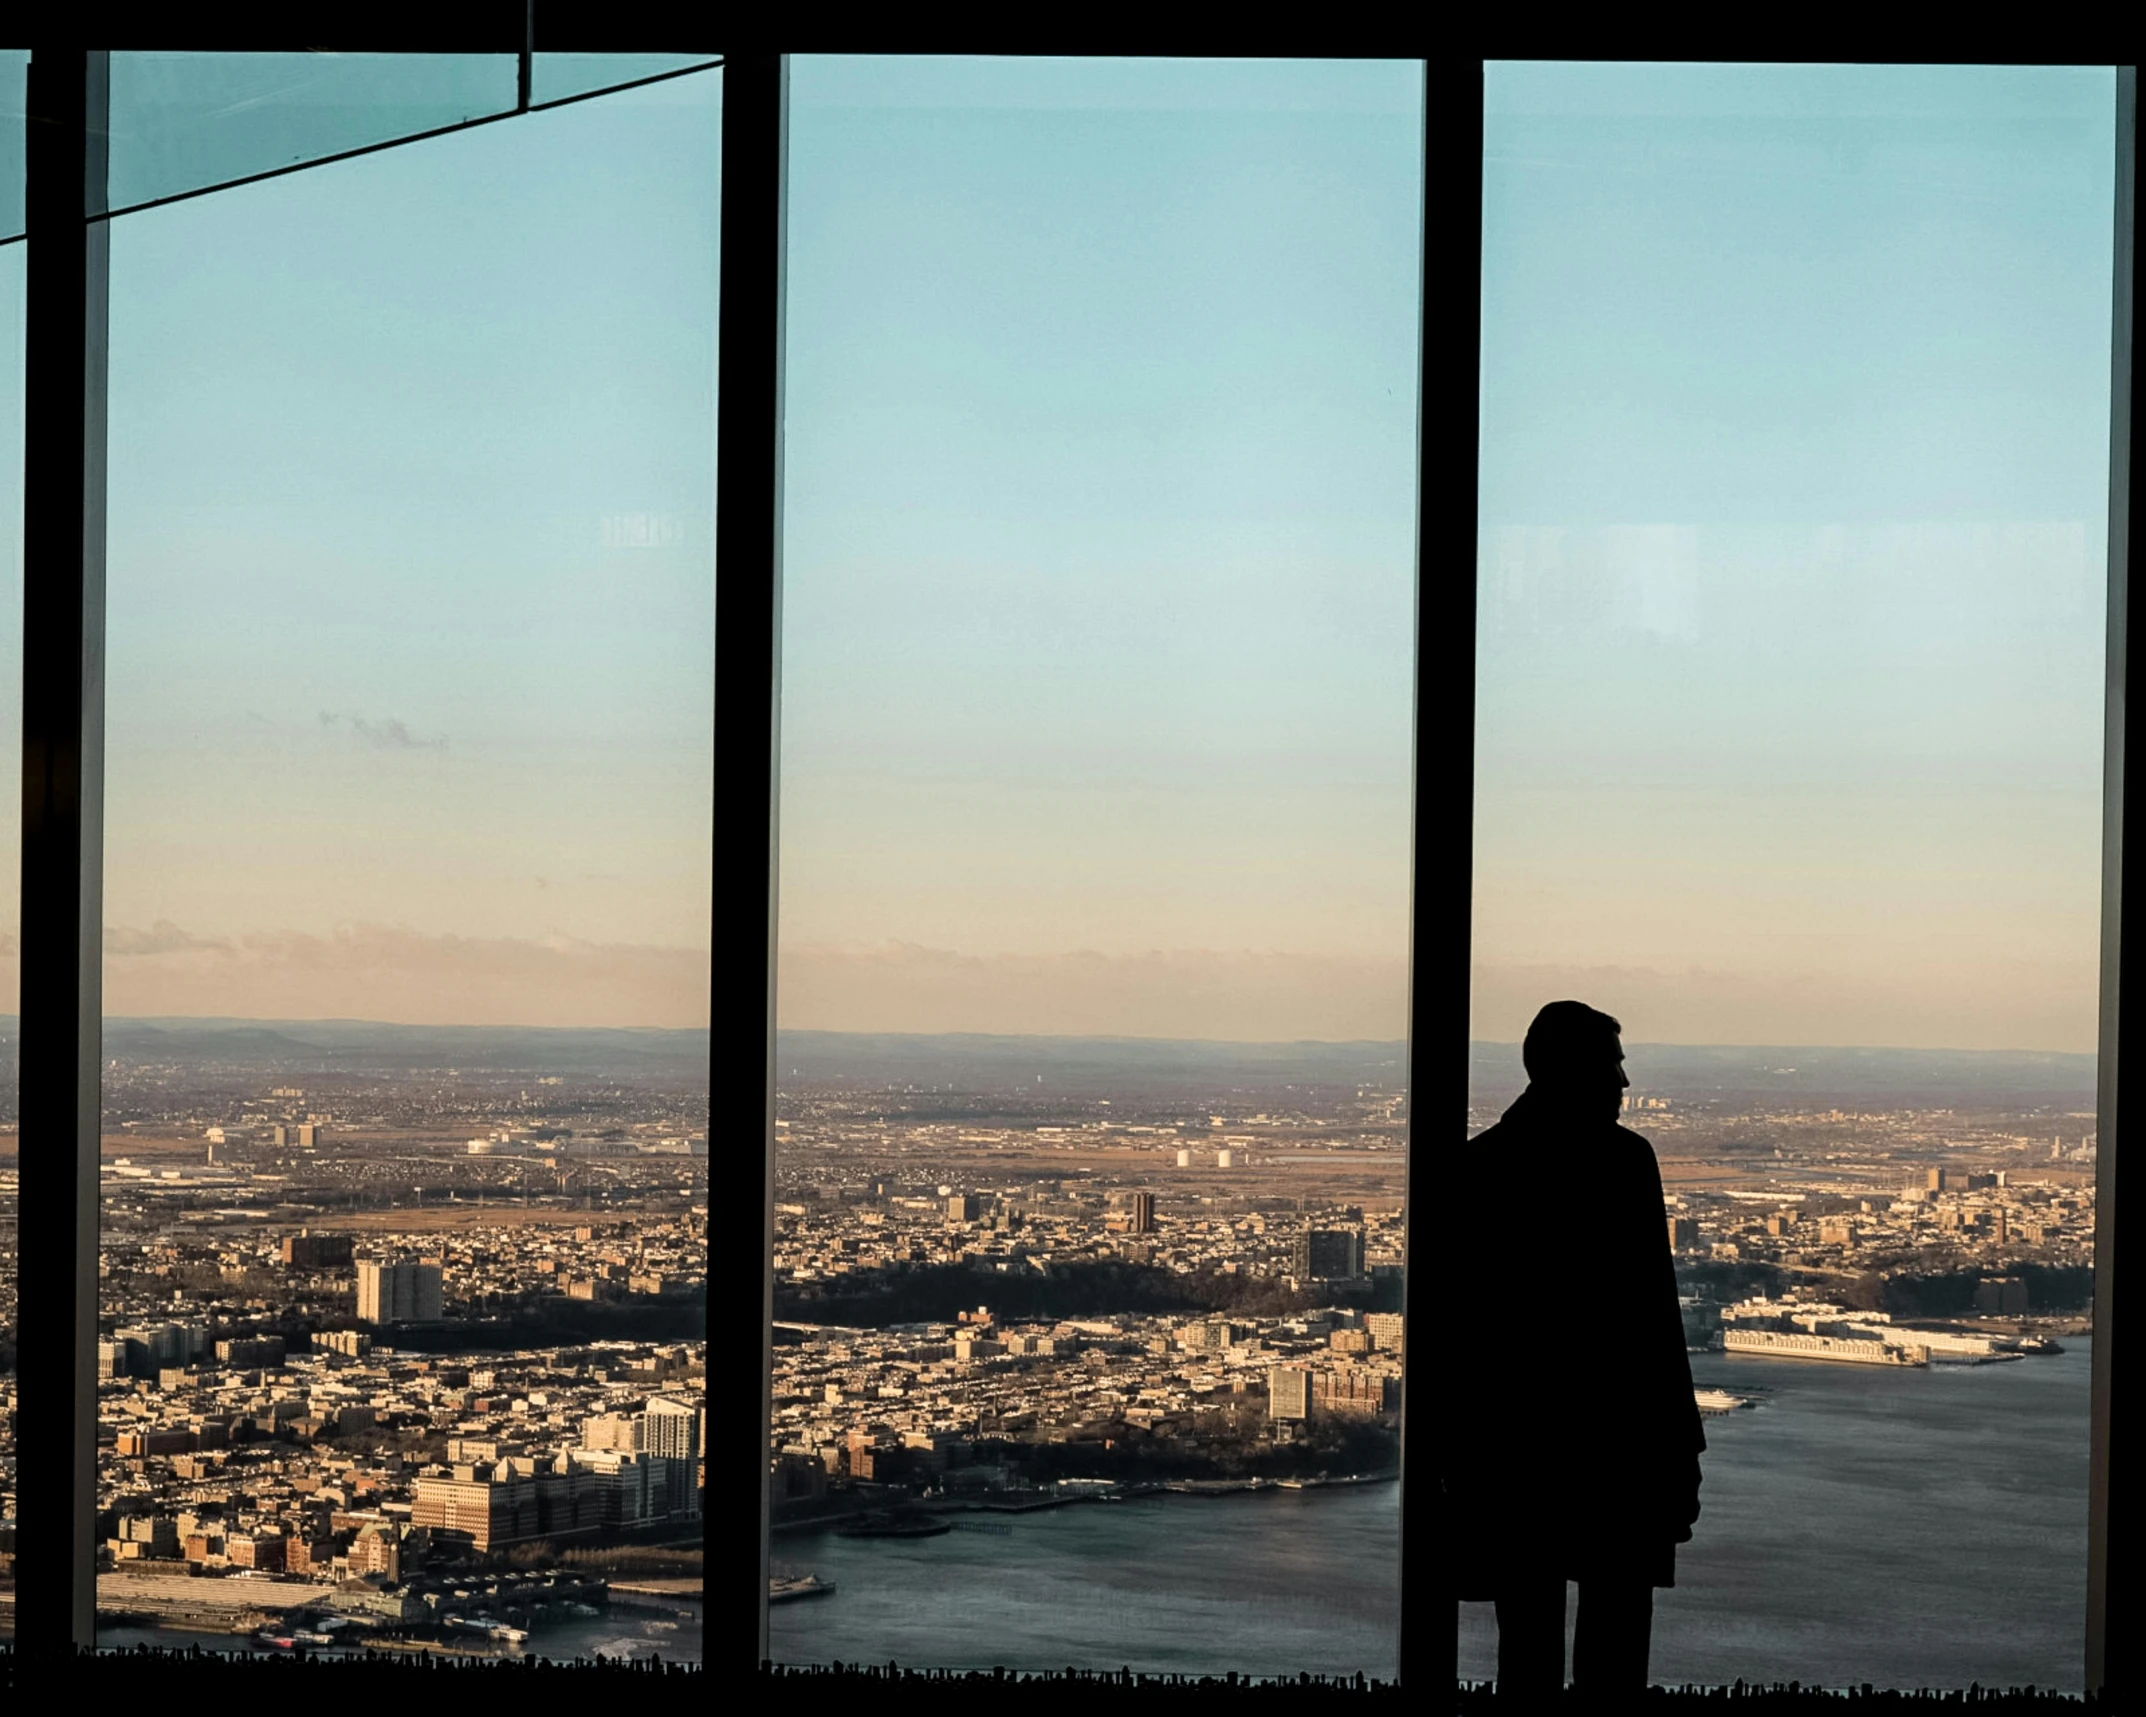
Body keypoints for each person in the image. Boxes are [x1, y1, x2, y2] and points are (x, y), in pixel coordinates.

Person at [1435, 1000, 1704, 1696]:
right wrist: (1680, 1450)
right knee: (1615, 1648)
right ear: (1574, 1070)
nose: (1623, 1083)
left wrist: (1454, 1458)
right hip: (1619, 1445)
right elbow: (1653, 1322)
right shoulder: (1625, 1164)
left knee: (1525, 1643)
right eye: (1612, 1065)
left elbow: (1460, 1334)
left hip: (1513, 1449)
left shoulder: (1480, 1167)